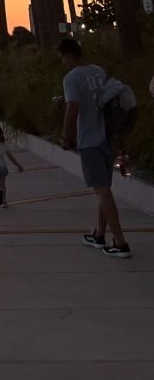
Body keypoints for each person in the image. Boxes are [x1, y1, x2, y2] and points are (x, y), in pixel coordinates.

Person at [62, 38, 131, 258]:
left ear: (68, 55)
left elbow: (72, 109)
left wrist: (66, 136)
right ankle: (99, 235)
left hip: (90, 139)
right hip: (108, 137)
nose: (63, 62)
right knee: (104, 190)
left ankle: (120, 243)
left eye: (62, 58)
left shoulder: (71, 78)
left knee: (102, 191)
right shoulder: (98, 71)